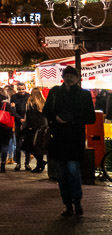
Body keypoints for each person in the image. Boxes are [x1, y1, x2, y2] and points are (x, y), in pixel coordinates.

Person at [42, 66, 96, 217]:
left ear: (77, 78)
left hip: (75, 138)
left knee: (73, 171)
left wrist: (73, 119)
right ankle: (67, 204)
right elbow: (46, 111)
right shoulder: (54, 93)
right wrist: (56, 118)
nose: (70, 78)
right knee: (61, 174)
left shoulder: (84, 95)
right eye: (67, 75)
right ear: (63, 77)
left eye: (72, 76)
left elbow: (90, 117)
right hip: (58, 138)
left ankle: (77, 202)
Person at [21, 87, 48, 173]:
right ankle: (40, 163)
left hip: (32, 129)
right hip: (42, 128)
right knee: (38, 147)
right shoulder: (43, 103)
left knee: (29, 147)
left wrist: (27, 125)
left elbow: (29, 116)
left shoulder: (31, 103)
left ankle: (40, 163)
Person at [9, 81, 29, 170]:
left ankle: (27, 164)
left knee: (28, 144)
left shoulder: (28, 96)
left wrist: (25, 119)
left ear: (25, 89)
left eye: (23, 89)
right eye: (20, 89)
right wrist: (20, 119)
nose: (21, 91)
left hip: (27, 122)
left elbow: (30, 109)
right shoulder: (13, 97)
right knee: (18, 144)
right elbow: (12, 110)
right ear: (17, 89)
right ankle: (18, 164)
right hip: (18, 122)